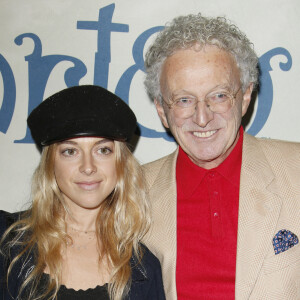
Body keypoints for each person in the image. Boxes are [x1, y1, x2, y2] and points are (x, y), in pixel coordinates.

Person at [142, 13, 300, 300]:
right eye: (184, 100)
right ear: (162, 111)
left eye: (218, 96)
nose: (202, 118)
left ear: (246, 96)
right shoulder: (132, 192)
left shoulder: (296, 171)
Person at [0, 85, 166, 300]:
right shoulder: (7, 243)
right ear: (51, 164)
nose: (88, 167)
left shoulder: (144, 269)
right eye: (70, 151)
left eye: (102, 150)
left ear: (121, 163)